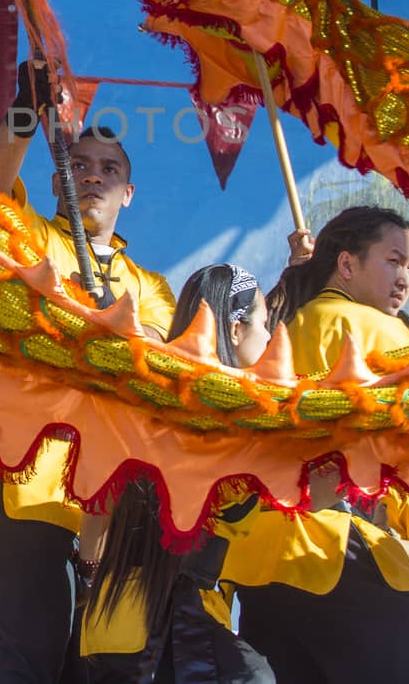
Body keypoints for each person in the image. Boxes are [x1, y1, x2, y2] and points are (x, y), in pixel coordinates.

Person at [0, 60, 178, 683]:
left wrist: (117, 327)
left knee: (90, 669)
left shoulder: (149, 285)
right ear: (56, 181)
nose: (94, 177)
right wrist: (26, 110)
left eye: (110, 170)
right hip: (27, 480)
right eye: (80, 166)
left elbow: (154, 354)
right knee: (32, 657)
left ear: (129, 194)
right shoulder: (32, 242)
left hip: (111, 503)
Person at [227, 206, 409, 684]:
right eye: (393, 261)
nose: (404, 279)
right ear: (346, 264)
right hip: (333, 555)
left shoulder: (280, 330)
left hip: (259, 574)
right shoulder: (376, 329)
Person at [80, 265, 276, 684]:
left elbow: (96, 505)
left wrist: (91, 577)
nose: (271, 338)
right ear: (235, 330)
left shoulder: (146, 402)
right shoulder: (235, 423)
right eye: (265, 324)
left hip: (110, 625)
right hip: (179, 637)